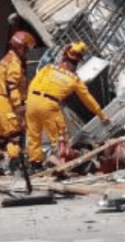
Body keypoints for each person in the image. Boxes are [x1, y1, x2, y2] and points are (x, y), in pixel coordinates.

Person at [25, 41, 111, 171]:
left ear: (63, 57)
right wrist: (103, 115)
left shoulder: (47, 68)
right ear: (78, 62)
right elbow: (88, 99)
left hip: (31, 101)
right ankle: (62, 164)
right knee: (60, 138)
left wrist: (28, 102)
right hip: (49, 104)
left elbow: (33, 84)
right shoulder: (74, 79)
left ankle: (34, 165)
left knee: (34, 136)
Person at [0, 31, 36, 166]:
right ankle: (16, 159)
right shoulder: (14, 62)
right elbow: (12, 86)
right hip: (6, 102)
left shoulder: (8, 58)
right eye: (26, 49)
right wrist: (19, 105)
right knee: (14, 132)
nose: (26, 53)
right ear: (20, 47)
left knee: (1, 132)